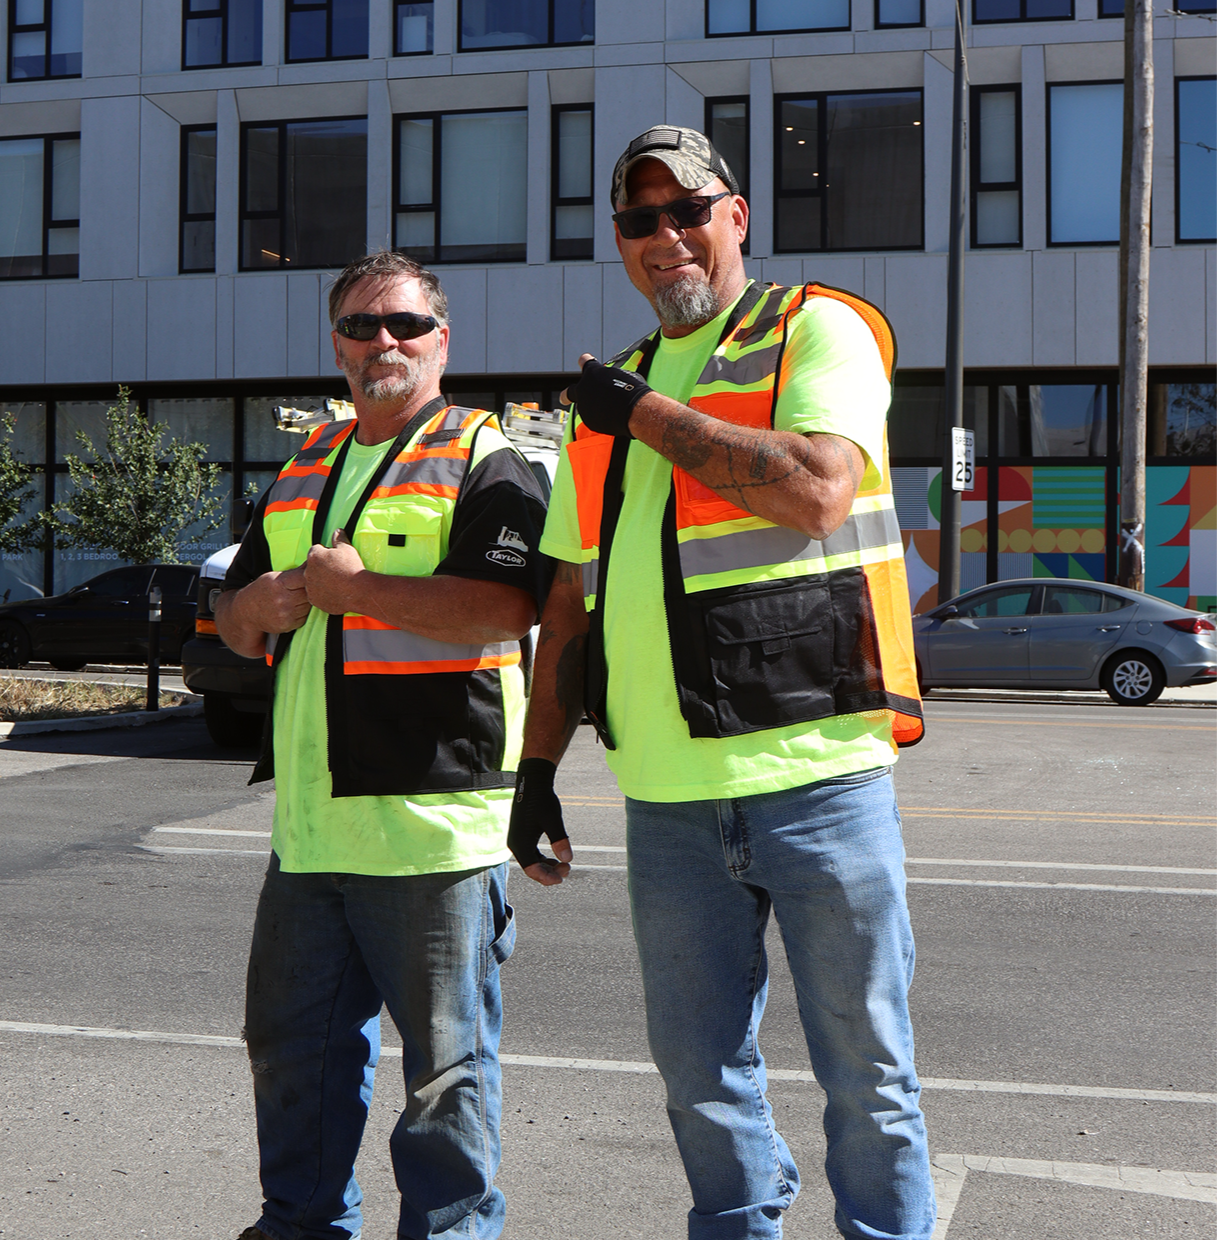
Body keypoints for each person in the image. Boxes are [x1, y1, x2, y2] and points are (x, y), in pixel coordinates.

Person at [507, 125, 935, 1240]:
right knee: (699, 1079)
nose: (666, 237)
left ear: (734, 217)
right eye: (639, 221)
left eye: (687, 210)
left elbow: (814, 491)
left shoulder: (813, 331)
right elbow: (567, 603)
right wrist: (535, 771)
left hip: (820, 777)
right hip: (666, 799)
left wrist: (641, 415)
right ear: (619, 243)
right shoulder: (611, 394)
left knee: (867, 1077)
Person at [217, 250, 548, 1240]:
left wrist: (360, 591)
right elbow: (233, 614)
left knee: (445, 1080)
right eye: (361, 326)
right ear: (338, 343)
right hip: (311, 832)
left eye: (404, 324)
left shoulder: (490, 455)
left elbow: (503, 603)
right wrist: (250, 606)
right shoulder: (305, 462)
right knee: (290, 1058)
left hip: (433, 829)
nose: (383, 342)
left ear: (442, 339)